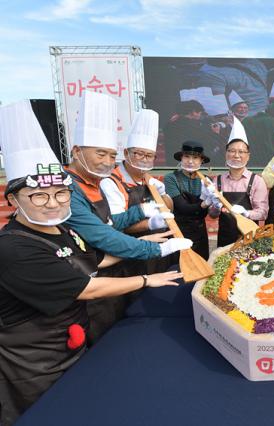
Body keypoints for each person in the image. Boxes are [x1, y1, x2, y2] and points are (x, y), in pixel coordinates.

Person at [0, 100, 184, 426]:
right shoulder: (14, 247)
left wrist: (146, 243)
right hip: (32, 359)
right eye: (39, 196)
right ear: (13, 199)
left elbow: (97, 257)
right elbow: (87, 286)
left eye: (60, 194)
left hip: (70, 344)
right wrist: (148, 273)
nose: (52, 203)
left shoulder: (60, 229)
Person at [64, 92, 191, 341]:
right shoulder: (69, 189)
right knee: (102, 336)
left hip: (114, 265)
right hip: (89, 276)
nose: (107, 162)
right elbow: (104, 235)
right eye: (100, 154)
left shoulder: (93, 183)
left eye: (111, 155)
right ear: (76, 151)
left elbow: (112, 222)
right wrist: (157, 249)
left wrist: (143, 212)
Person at [100, 109, 177, 275]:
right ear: (126, 153)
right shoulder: (111, 182)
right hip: (129, 254)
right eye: (139, 154)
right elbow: (116, 224)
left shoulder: (148, 179)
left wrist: (163, 193)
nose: (144, 159)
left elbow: (169, 208)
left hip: (157, 249)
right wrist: (150, 223)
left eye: (150, 156)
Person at [204, 117, 268, 247]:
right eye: (232, 151)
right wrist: (215, 207)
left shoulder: (256, 181)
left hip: (249, 237)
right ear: (226, 154)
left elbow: (263, 212)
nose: (236, 155)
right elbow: (212, 215)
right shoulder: (218, 180)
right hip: (224, 239)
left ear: (248, 156)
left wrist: (246, 213)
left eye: (241, 152)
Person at [164, 141, 214, 259]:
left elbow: (206, 213)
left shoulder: (206, 180)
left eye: (195, 158)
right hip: (178, 231)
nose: (190, 161)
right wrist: (206, 202)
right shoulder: (171, 178)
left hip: (200, 232)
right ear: (181, 158)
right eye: (186, 156)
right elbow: (182, 207)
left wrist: (215, 203)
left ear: (201, 160)